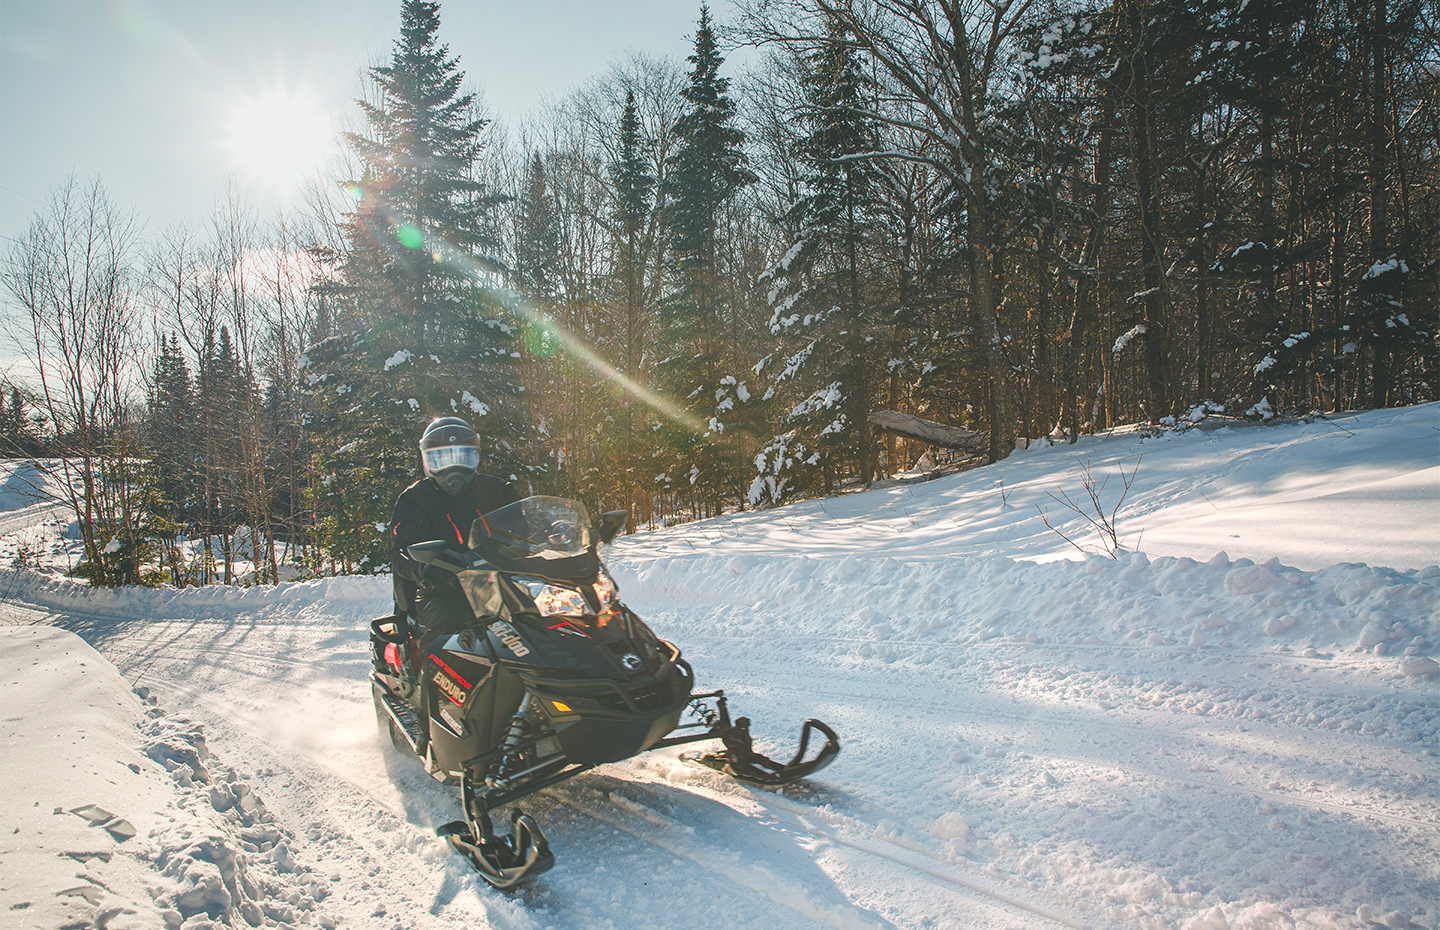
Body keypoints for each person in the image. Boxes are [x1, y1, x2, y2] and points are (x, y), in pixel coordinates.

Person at [389, 417, 521, 648]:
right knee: (445, 640)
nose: (454, 469)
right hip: (444, 592)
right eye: (442, 459)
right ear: (427, 461)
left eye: (463, 458)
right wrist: (428, 570)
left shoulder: (497, 491)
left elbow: (525, 526)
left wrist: (553, 539)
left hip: (500, 582)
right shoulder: (414, 500)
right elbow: (401, 553)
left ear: (475, 458)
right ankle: (431, 680)